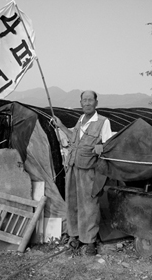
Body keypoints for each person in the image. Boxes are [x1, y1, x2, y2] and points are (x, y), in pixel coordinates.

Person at [54, 90, 113, 256]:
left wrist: (102, 147)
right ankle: (75, 236)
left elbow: (110, 147)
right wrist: (61, 126)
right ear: (81, 103)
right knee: (72, 203)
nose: (87, 103)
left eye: (90, 100)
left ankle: (90, 241)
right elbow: (74, 139)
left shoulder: (103, 122)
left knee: (89, 205)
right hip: (73, 166)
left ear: (96, 103)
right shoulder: (81, 120)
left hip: (90, 170)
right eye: (84, 100)